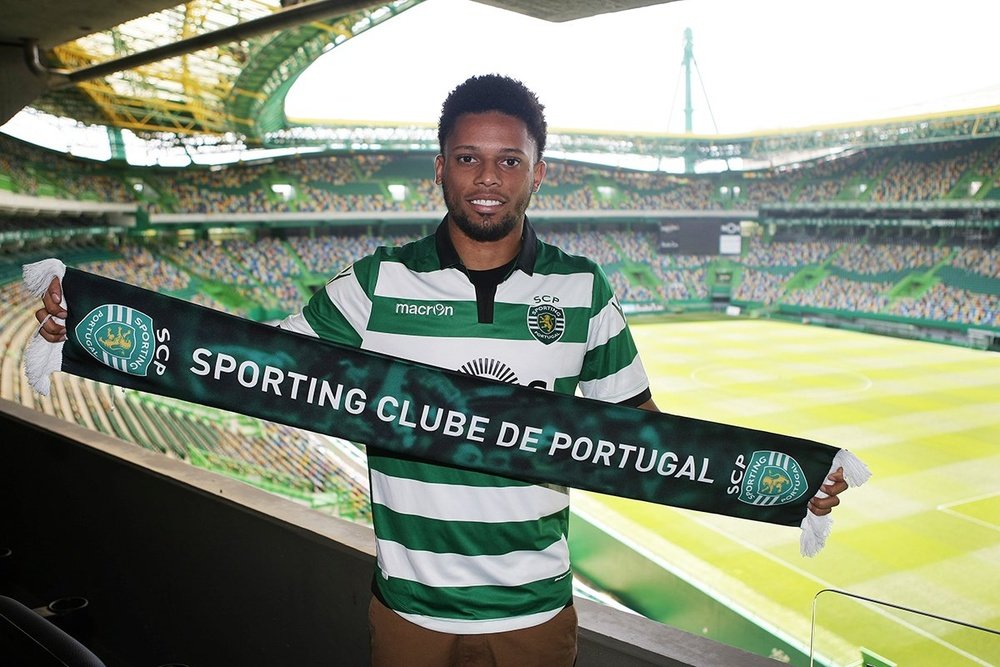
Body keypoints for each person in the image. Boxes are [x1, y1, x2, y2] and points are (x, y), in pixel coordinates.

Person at [35, 73, 849, 667]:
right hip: (410, 612)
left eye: (507, 159)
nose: (487, 177)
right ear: (440, 167)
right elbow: (244, 360)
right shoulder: (375, 283)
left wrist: (789, 482)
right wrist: (97, 325)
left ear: (538, 170)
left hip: (536, 610)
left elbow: (645, 441)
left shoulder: (582, 288)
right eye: (467, 157)